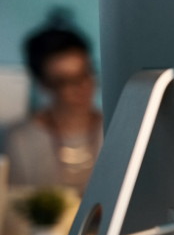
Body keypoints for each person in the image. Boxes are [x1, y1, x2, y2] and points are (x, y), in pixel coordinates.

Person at [5, 10, 103, 194]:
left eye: (85, 73)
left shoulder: (115, 129)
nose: (81, 87)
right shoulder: (20, 140)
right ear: (44, 84)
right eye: (66, 81)